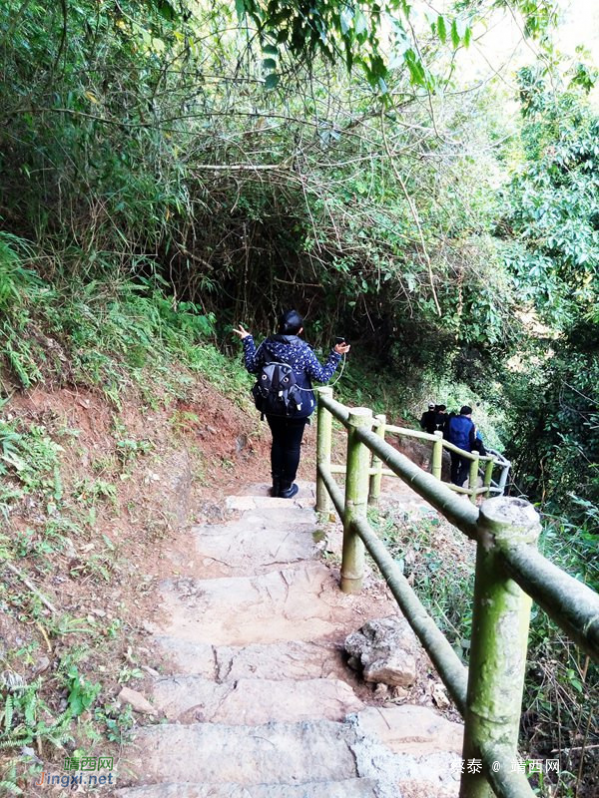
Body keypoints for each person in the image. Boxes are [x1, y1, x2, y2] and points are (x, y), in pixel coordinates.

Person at [233, 310, 350, 499]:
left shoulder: (267, 344)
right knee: (292, 446)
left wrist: (247, 340)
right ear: (300, 330)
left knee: (278, 442)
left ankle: (277, 485)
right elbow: (322, 376)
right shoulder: (303, 349)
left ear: (278, 326)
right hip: (297, 407)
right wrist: (335, 354)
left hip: (271, 405)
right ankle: (286, 487)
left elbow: (252, 367)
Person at [447, 405, 476, 487]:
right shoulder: (470, 424)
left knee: (454, 464)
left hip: (453, 446)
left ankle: (453, 481)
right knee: (465, 467)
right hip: (465, 449)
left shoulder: (452, 419)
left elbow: (447, 432)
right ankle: (459, 485)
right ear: (469, 414)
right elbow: (472, 439)